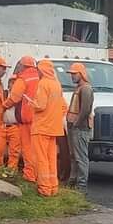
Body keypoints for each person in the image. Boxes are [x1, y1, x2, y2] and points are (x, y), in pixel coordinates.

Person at [31, 58, 67, 197]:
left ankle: (44, 188)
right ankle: (53, 187)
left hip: (41, 127)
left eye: (38, 70)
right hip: (54, 128)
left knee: (40, 158)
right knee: (51, 158)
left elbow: (40, 105)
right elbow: (64, 107)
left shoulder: (43, 84)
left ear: (42, 70)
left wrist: (31, 103)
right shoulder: (57, 84)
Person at [7, 56, 40, 183]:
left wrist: (4, 107)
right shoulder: (39, 77)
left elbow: (14, 98)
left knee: (27, 149)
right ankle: (37, 175)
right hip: (38, 119)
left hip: (26, 119)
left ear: (23, 66)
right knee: (37, 149)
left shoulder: (23, 79)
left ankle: (29, 175)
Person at [66, 61, 94, 190]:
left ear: (81, 74)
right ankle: (73, 182)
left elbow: (85, 110)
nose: (72, 76)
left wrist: (76, 124)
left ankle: (81, 185)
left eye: (74, 74)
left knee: (81, 157)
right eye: (71, 74)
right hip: (75, 127)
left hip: (80, 128)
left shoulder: (86, 88)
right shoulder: (80, 88)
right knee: (74, 156)